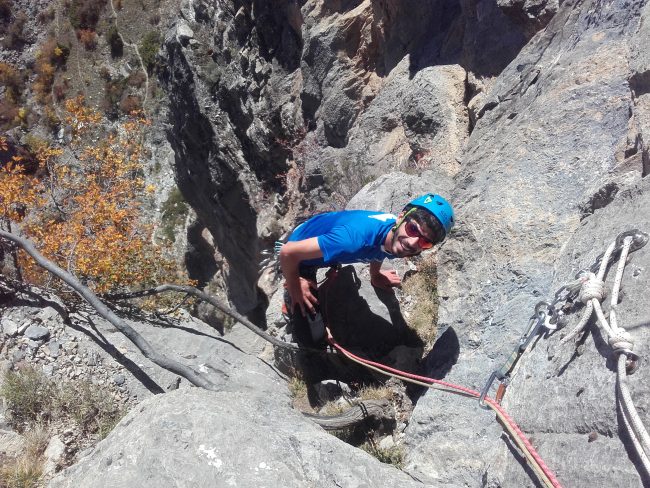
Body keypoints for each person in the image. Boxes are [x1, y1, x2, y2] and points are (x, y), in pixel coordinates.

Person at [279, 194, 454, 346]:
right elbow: (286, 252)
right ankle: (289, 302)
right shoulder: (351, 240)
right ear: (401, 217)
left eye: (426, 242)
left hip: (323, 242)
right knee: (313, 337)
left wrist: (375, 274)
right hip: (299, 253)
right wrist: (295, 284)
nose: (413, 242)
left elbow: (380, 250)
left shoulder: (397, 238)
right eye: (413, 229)